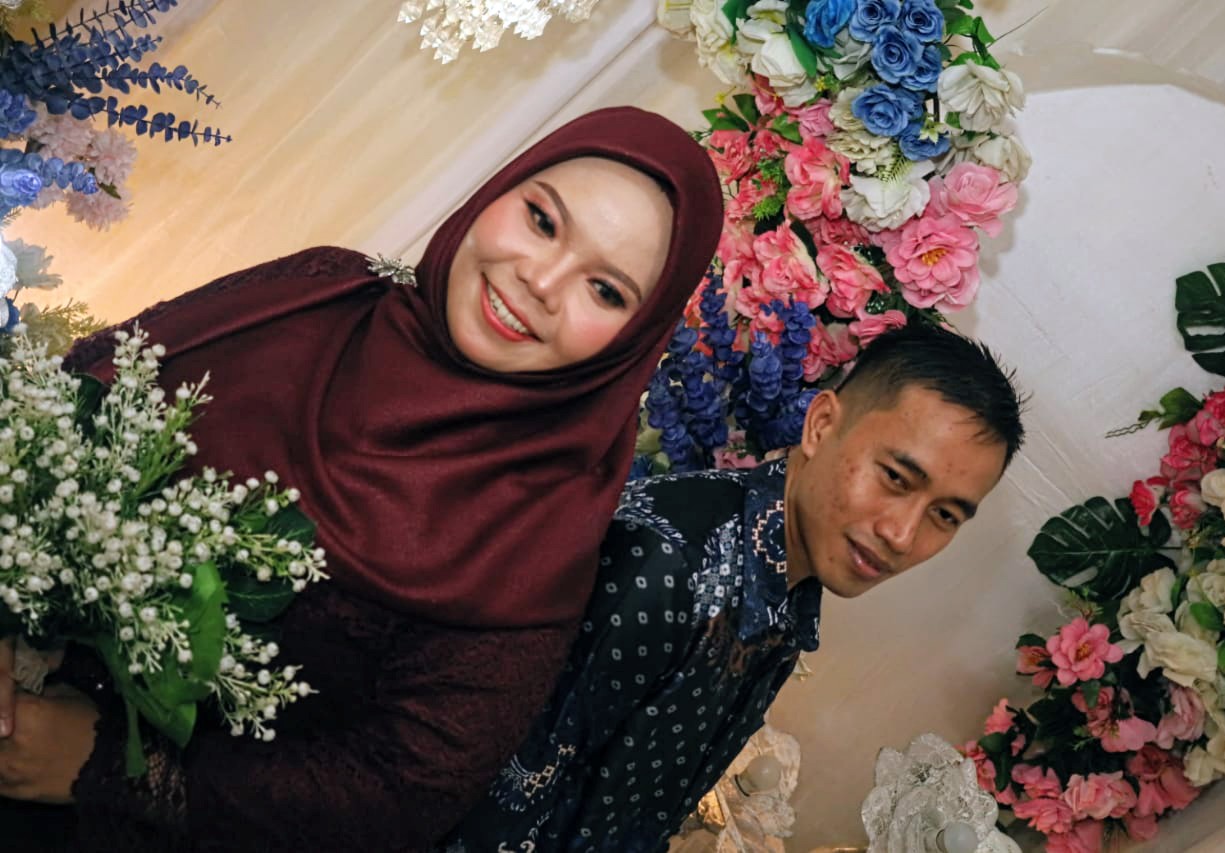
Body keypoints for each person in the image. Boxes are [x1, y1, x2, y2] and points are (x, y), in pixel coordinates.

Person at [0, 106, 723, 850]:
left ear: (635, 341)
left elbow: (394, 796)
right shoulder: (317, 290)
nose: (541, 280)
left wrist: (108, 767)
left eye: (605, 291)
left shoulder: (536, 542)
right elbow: (76, 388)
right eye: (542, 220)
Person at [445, 322, 1027, 852]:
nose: (902, 534)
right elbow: (495, 792)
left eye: (944, 516)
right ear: (822, 425)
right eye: (895, 477)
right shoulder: (665, 568)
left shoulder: (788, 587)